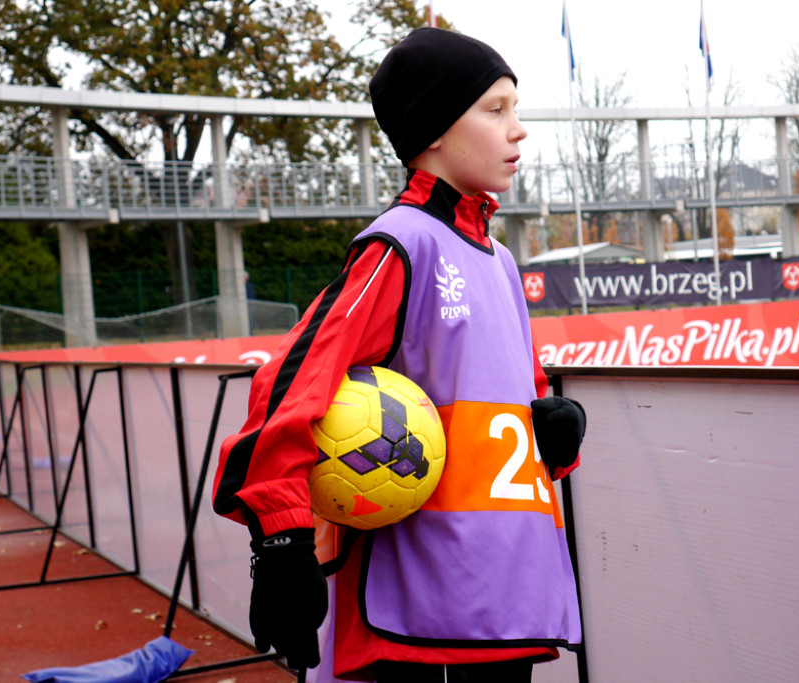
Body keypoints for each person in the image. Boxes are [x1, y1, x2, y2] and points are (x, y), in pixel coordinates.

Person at [212, 27, 587, 683]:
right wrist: (281, 539)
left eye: (515, 109)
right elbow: (295, 378)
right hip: (420, 595)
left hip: (507, 585)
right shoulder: (399, 245)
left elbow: (505, 407)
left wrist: (553, 431)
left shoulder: (500, 260)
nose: (518, 129)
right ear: (436, 130)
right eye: (495, 110)